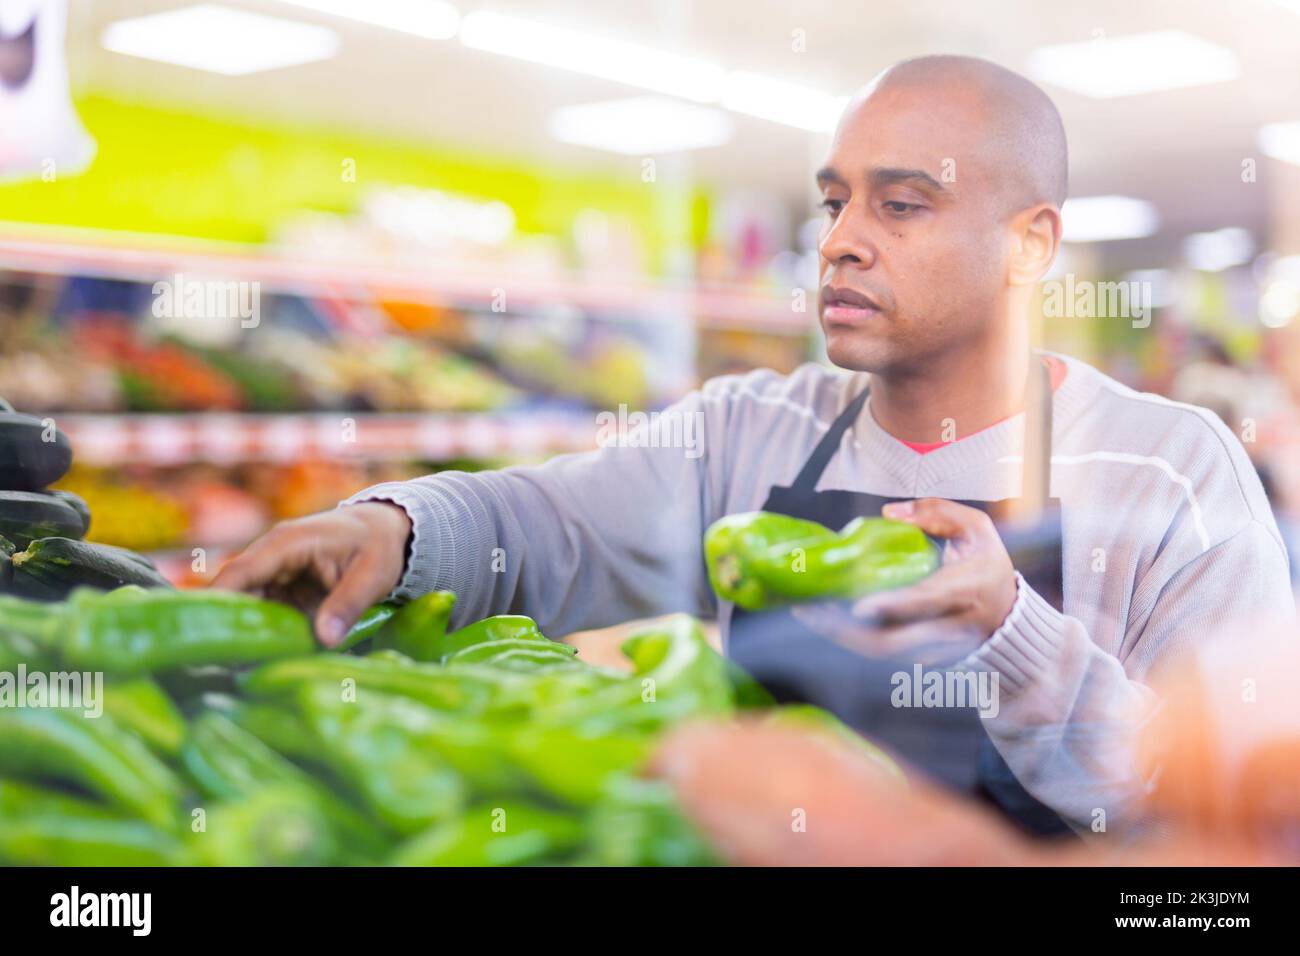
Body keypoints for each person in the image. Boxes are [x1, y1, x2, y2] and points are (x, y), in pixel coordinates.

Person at [213, 55, 1294, 836]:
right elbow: (543, 524)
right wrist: (397, 526)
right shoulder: (751, 427)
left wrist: (1016, 633)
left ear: (1029, 245)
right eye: (832, 202)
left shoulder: (1172, 473)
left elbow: (1235, 836)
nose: (837, 240)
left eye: (901, 204)